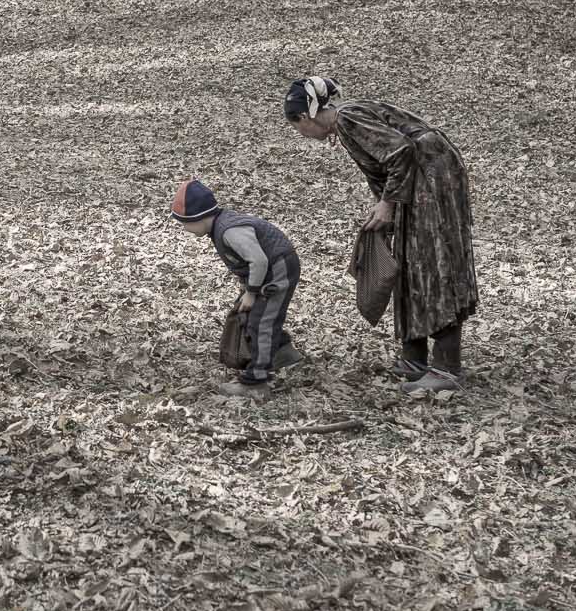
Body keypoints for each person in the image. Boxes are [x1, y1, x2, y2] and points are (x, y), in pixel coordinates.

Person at [282, 76, 478, 394]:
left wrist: (387, 205)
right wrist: (386, 207)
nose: (302, 135)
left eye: (297, 127)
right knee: (407, 259)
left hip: (431, 179)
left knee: (429, 264)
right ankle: (414, 358)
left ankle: (447, 368)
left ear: (305, 117)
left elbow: (401, 153)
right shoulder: (348, 120)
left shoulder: (347, 117)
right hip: (421, 182)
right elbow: (389, 163)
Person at [170, 179, 304, 399]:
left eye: (185, 223)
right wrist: (247, 288)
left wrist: (251, 292)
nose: (184, 229)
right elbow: (246, 262)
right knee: (253, 315)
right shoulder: (220, 226)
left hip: (277, 270)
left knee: (262, 322)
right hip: (267, 272)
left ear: (199, 217)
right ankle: (283, 353)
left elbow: (259, 260)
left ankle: (256, 383)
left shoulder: (230, 231)